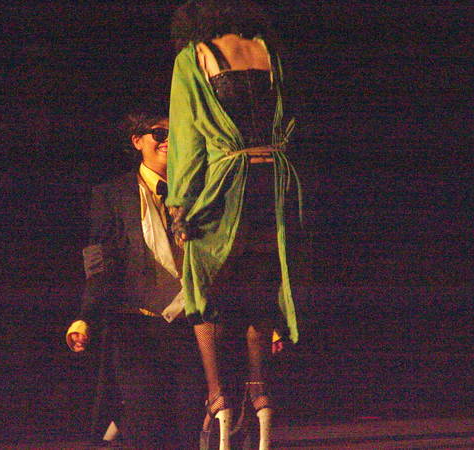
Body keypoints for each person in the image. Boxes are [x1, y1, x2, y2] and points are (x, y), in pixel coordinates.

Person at [166, 1, 303, 449]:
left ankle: (218, 398)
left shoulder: (195, 56)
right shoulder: (268, 50)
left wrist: (180, 206)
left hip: (227, 187)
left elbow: (186, 141)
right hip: (274, 185)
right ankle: (260, 396)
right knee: (259, 294)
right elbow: (292, 118)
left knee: (203, 293)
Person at [65, 108, 203, 449]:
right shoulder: (113, 194)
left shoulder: (200, 191)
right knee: (146, 425)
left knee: (187, 427)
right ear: (137, 141)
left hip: (191, 327)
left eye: (175, 133)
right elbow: (99, 259)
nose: (168, 141)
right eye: (159, 133)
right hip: (137, 328)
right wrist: (86, 315)